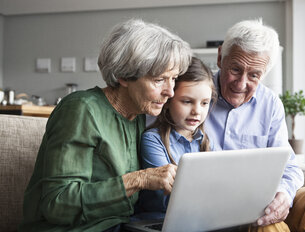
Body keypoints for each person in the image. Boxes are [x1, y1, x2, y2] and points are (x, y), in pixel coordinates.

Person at [18, 19, 192, 232]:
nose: (170, 91)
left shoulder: (138, 112)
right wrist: (139, 179)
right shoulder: (82, 109)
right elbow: (57, 203)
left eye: (173, 78)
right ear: (123, 76)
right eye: (159, 80)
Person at [204, 20, 305, 232]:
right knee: (269, 227)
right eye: (235, 69)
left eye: (254, 75)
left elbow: (289, 167)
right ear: (219, 58)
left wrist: (284, 195)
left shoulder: (270, 104)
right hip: (214, 207)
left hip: (260, 202)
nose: (241, 84)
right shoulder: (195, 96)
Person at [137, 57, 217, 214]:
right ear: (168, 101)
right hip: (158, 220)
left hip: (197, 217)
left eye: (204, 103)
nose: (197, 111)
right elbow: (171, 200)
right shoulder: (153, 140)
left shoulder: (206, 143)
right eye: (187, 101)